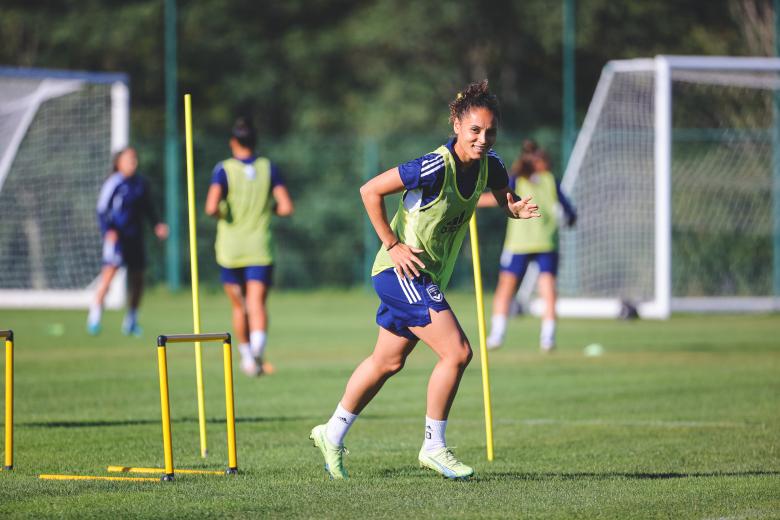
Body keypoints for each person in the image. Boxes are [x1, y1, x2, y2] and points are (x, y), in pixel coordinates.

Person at [309, 80, 540, 480]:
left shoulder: (493, 165)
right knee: (458, 352)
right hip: (399, 272)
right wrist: (392, 243)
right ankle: (434, 446)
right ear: (456, 124)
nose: (483, 139)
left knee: (387, 361)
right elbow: (369, 191)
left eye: (490, 132)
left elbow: (505, 195)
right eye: (474, 131)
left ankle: (331, 432)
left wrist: (513, 208)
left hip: (424, 275)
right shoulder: (433, 166)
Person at [205, 117, 294, 377]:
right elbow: (286, 207)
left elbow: (211, 207)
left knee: (239, 306)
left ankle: (246, 359)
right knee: (257, 303)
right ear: (255, 142)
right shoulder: (268, 167)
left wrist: (225, 212)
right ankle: (257, 353)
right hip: (259, 248)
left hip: (230, 249)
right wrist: (268, 208)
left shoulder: (224, 169)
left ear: (233, 142)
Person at [479, 140, 576, 352]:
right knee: (535, 288)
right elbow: (570, 214)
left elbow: (498, 199)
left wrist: (472, 200)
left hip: (525, 243)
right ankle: (542, 338)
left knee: (519, 289)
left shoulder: (524, 179)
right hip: (538, 243)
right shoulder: (544, 180)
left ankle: (507, 336)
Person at [87, 147, 169, 336]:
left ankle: (131, 321)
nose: (133, 162)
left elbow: (149, 207)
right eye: (129, 159)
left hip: (135, 238)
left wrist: (157, 224)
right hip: (117, 238)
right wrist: (109, 231)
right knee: (108, 277)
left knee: (138, 280)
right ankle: (95, 317)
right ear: (119, 163)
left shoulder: (141, 183)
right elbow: (102, 210)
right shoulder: (114, 183)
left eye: (135, 158)